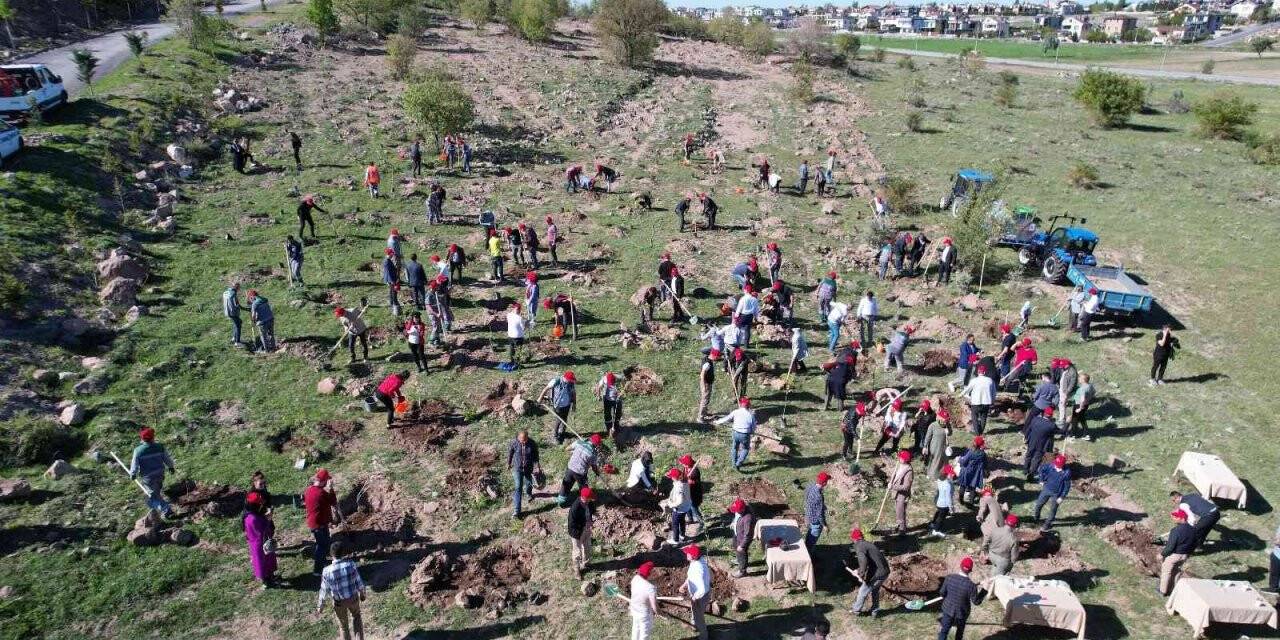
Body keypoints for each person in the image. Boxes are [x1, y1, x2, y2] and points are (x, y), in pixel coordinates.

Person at [316, 541, 367, 640]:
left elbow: (324, 590)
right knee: (356, 617)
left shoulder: (326, 571)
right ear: (343, 553)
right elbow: (358, 581)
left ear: (331, 554)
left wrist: (321, 605)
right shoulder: (350, 565)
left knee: (343, 627)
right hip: (353, 598)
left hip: (339, 603)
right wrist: (362, 593)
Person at [128, 427, 177, 516]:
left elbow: (134, 464)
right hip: (160, 474)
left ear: (142, 438)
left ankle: (166, 510)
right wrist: (171, 467)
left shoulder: (138, 451)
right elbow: (167, 459)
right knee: (156, 490)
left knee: (153, 494)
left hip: (148, 477)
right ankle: (156, 508)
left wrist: (133, 473)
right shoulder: (160, 447)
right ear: (153, 437)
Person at [937, 557, 984, 640]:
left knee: (944, 631)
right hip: (962, 613)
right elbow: (976, 602)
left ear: (960, 566)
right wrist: (985, 590)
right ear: (970, 570)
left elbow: (942, 593)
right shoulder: (971, 586)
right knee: (959, 633)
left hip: (948, 609)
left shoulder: (949, 578)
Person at [303, 469, 338, 576]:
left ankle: (324, 560)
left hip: (316, 522)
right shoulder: (321, 493)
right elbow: (333, 501)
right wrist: (331, 489)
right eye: (327, 480)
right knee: (321, 545)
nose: (328, 482)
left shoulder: (309, 490)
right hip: (318, 524)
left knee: (326, 540)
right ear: (324, 481)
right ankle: (317, 570)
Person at [848, 528, 890, 618]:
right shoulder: (867, 544)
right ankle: (874, 611)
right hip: (885, 571)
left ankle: (856, 610)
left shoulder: (860, 546)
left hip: (878, 572)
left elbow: (863, 561)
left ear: (854, 539)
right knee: (875, 591)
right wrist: (860, 571)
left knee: (862, 591)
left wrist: (860, 573)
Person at [242, 491, 278, 589]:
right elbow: (263, 530)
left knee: (267, 560)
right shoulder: (253, 519)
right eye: (259, 503)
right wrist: (269, 519)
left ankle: (270, 577)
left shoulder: (249, 514)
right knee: (263, 563)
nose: (261, 504)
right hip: (260, 544)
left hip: (258, 543)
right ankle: (267, 581)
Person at [1160, 510, 1196, 596]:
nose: (1173, 518)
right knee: (1176, 572)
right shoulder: (1193, 530)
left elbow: (1170, 547)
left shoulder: (1176, 530)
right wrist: (1188, 554)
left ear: (1182, 518)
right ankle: (1174, 590)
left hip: (1174, 555)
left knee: (1166, 572)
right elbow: (1195, 543)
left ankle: (1163, 591)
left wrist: (1162, 554)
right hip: (1184, 555)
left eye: (1175, 517)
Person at [717, 397, 757, 471]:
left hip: (735, 432)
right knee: (745, 449)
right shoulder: (750, 415)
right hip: (745, 434)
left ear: (741, 404)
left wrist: (717, 422)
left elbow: (727, 418)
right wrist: (752, 431)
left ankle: (733, 463)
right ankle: (738, 463)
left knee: (735, 447)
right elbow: (754, 427)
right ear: (748, 406)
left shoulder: (736, 412)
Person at [680, 545, 711, 640]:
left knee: (699, 618)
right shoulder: (697, 561)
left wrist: (694, 598)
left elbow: (703, 589)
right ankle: (693, 624)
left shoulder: (698, 569)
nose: (686, 553)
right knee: (694, 611)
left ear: (693, 557)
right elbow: (690, 576)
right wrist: (684, 585)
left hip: (700, 597)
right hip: (697, 594)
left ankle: (703, 636)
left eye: (688, 553)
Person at [559, 434, 601, 504]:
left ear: (590, 439)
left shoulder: (579, 442)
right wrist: (597, 473)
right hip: (580, 473)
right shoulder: (593, 453)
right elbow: (594, 467)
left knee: (566, 484)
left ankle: (561, 500)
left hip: (570, 468)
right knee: (584, 488)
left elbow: (567, 449)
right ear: (596, 444)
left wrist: (574, 452)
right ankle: (584, 502)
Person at [1033, 454, 1071, 531]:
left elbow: (1067, 487)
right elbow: (1041, 469)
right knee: (1038, 505)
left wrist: (1061, 497)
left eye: (1057, 466)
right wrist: (1041, 479)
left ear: (1062, 465)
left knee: (1053, 510)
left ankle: (1047, 524)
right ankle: (1036, 519)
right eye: (1055, 465)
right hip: (1046, 489)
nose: (1055, 467)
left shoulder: (1066, 473)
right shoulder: (1050, 466)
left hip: (1057, 494)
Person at [507, 430, 539, 519]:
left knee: (529, 483)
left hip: (528, 468)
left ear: (527, 437)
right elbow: (510, 452)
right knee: (518, 487)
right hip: (517, 468)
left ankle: (529, 494)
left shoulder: (532, 443)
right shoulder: (514, 443)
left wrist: (537, 466)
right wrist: (508, 463)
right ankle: (517, 511)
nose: (523, 441)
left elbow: (536, 455)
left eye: (525, 439)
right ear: (518, 438)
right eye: (521, 439)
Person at [539, 370, 578, 443]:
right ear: (565, 378)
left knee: (565, 418)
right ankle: (555, 435)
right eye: (570, 380)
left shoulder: (571, 383)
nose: (571, 381)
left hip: (567, 404)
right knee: (559, 420)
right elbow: (546, 388)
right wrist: (540, 399)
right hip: (558, 405)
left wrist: (574, 404)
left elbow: (573, 393)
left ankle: (562, 433)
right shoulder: (556, 381)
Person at [567, 487, 595, 579]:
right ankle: (577, 570)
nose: (592, 499)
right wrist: (577, 535)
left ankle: (586, 564)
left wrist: (590, 521)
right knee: (577, 552)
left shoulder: (589, 503)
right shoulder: (575, 508)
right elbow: (571, 524)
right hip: (577, 532)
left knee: (587, 547)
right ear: (584, 498)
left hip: (586, 529)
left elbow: (591, 510)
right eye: (590, 498)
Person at [1023, 406, 1058, 479]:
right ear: (1051, 415)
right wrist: (1067, 423)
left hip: (1032, 442)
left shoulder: (1035, 419)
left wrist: (1026, 437)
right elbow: (1062, 431)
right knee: (1036, 460)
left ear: (1044, 413)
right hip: (1041, 445)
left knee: (1028, 455)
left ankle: (1025, 470)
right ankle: (1030, 476)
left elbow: (1029, 429)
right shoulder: (1051, 425)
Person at [664, 467, 693, 544]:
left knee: (675, 524)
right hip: (686, 506)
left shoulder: (678, 487)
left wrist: (671, 505)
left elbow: (680, 500)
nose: (671, 478)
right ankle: (682, 535)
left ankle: (675, 540)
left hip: (679, 509)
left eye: (671, 477)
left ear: (675, 478)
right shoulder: (684, 481)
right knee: (682, 521)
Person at [629, 561, 658, 640]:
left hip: (634, 609)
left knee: (635, 629)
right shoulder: (650, 588)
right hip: (644, 614)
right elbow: (654, 606)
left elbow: (641, 587)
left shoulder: (635, 579)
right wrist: (659, 613)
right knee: (644, 634)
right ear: (649, 574)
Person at [962, 366, 995, 434]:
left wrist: (960, 394)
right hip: (986, 402)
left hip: (976, 402)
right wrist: (992, 401)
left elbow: (967, 390)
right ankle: (981, 431)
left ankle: (977, 433)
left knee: (974, 416)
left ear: (978, 372)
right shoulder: (990, 380)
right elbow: (993, 392)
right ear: (985, 372)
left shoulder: (974, 380)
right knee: (983, 417)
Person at [955, 437, 987, 506]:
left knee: (963, 485)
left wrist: (959, 459)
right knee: (973, 488)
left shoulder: (971, 452)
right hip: (975, 474)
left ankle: (961, 500)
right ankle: (971, 502)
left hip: (966, 471)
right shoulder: (983, 454)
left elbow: (963, 462)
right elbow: (985, 464)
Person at [729, 498, 756, 577]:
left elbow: (748, 535)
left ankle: (742, 571)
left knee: (742, 552)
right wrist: (733, 522)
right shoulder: (739, 511)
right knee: (735, 547)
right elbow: (736, 516)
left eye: (737, 511)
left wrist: (742, 545)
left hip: (743, 539)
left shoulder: (748, 518)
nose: (736, 512)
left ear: (743, 509)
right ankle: (739, 560)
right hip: (737, 534)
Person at [890, 450, 914, 535]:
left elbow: (906, 487)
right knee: (897, 511)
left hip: (902, 496)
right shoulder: (900, 465)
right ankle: (900, 526)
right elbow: (895, 475)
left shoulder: (909, 471)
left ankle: (902, 531)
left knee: (901, 513)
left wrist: (893, 486)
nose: (899, 458)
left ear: (905, 460)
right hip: (897, 494)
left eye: (901, 457)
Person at [804, 471, 830, 548]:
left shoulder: (810, 486)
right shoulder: (818, 496)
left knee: (810, 534)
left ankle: (806, 546)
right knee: (812, 541)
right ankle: (809, 556)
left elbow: (806, 497)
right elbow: (819, 514)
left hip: (809, 515)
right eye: (827, 481)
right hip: (815, 520)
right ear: (824, 483)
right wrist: (824, 525)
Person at [1067, 372, 1095, 441]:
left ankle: (1072, 435)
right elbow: (1094, 392)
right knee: (1082, 419)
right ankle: (1086, 434)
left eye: (1080, 378)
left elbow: (1082, 399)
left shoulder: (1083, 388)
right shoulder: (1090, 386)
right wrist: (1088, 399)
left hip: (1079, 405)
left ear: (1083, 380)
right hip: (1086, 405)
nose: (1078, 379)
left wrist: (1080, 408)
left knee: (1074, 420)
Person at [976, 487, 1005, 555]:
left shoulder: (984, 498)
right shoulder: (993, 499)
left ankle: (984, 551)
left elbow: (982, 509)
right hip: (1001, 523)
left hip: (993, 524)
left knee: (987, 534)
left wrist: (979, 516)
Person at [930, 464, 956, 537]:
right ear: (946, 474)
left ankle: (933, 523)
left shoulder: (940, 479)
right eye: (950, 474)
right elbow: (948, 498)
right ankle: (936, 530)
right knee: (941, 518)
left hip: (938, 501)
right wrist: (951, 508)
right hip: (944, 504)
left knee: (938, 512)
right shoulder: (948, 485)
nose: (952, 475)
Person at [923, 409, 949, 480]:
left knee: (939, 461)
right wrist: (925, 446)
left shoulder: (947, 425)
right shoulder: (933, 425)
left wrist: (948, 432)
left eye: (946, 419)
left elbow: (950, 433)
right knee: (932, 460)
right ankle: (930, 474)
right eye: (944, 419)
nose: (945, 421)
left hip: (943, 446)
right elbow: (928, 436)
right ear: (939, 417)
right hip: (934, 446)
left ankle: (935, 475)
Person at [679, 454, 705, 525]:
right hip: (687, 491)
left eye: (684, 463)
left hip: (694, 492)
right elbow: (683, 476)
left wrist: (691, 481)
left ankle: (701, 521)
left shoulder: (695, 471)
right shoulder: (685, 468)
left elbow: (697, 482)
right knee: (686, 506)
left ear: (688, 464)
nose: (683, 464)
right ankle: (690, 519)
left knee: (693, 507)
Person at [594, 372, 622, 436]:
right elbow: (598, 387)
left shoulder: (619, 378)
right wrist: (598, 396)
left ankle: (616, 426)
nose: (611, 384)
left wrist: (620, 393)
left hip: (617, 399)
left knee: (618, 413)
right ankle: (609, 428)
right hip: (607, 399)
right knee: (607, 414)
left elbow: (624, 386)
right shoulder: (604, 379)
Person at [1056, 358, 1078, 427]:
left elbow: (1072, 385)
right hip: (1062, 389)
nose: (1062, 366)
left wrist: (1066, 394)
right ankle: (1062, 418)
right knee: (1061, 404)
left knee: (1062, 405)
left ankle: (1062, 420)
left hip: (1065, 392)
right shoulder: (1065, 369)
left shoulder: (1072, 372)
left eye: (1063, 365)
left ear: (1068, 365)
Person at [381, 249, 401, 317]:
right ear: (389, 254)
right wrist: (393, 281)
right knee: (394, 292)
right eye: (392, 253)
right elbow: (389, 272)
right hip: (391, 280)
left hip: (390, 279)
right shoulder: (387, 261)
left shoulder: (387, 260)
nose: (393, 254)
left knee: (391, 292)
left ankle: (392, 303)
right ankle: (395, 306)